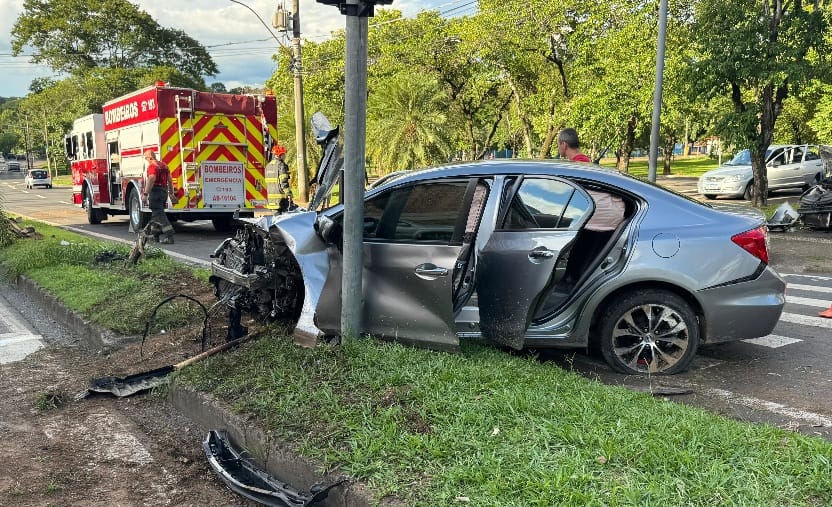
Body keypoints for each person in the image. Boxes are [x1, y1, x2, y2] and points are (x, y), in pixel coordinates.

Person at [142, 149, 175, 244]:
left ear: (150, 157)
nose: (146, 160)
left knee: (159, 214)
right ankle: (155, 236)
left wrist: (145, 194)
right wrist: (171, 192)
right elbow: (170, 179)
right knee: (155, 214)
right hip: (163, 191)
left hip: (155, 192)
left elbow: (152, 178)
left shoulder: (152, 166)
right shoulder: (164, 165)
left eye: (146, 158)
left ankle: (169, 235)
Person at [266, 144, 293, 212]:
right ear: (279, 155)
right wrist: (288, 193)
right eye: (283, 154)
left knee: (276, 218)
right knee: (283, 220)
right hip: (281, 200)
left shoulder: (268, 166)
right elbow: (283, 182)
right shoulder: (281, 166)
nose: (285, 156)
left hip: (271, 200)